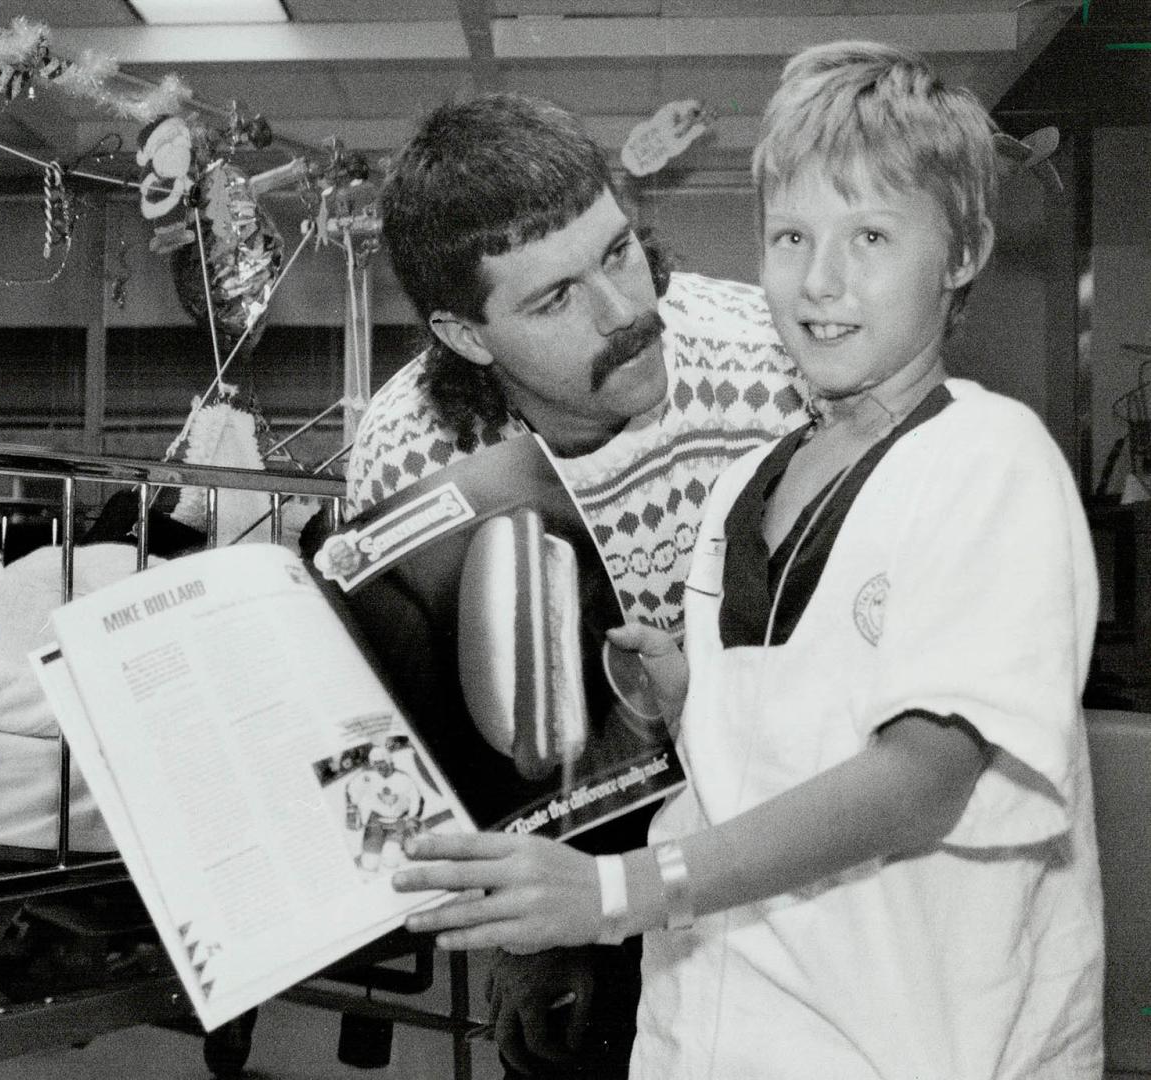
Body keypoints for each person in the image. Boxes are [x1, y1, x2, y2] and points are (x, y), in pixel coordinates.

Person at [393, 40, 1104, 1080]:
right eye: (788, 236)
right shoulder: (746, 487)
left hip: (923, 1044)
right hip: (713, 1036)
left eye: (868, 235)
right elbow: (792, 724)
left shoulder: (988, 461)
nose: (818, 280)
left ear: (960, 252)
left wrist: (615, 892)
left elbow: (922, 777)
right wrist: (691, 697)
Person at [346, 92, 807, 1078]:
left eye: (615, 253)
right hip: (572, 822)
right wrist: (528, 943)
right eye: (553, 299)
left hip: (776, 805)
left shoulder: (772, 363)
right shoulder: (409, 458)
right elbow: (432, 755)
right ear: (465, 336)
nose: (622, 314)